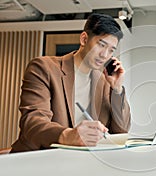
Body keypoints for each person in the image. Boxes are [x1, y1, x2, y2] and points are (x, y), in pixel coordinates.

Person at [10, 13, 131, 153]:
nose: (105, 55)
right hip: (37, 158)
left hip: (77, 161)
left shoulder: (104, 81)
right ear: (84, 39)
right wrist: (68, 135)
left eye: (111, 50)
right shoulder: (43, 67)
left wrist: (117, 89)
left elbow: (121, 130)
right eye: (101, 45)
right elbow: (32, 123)